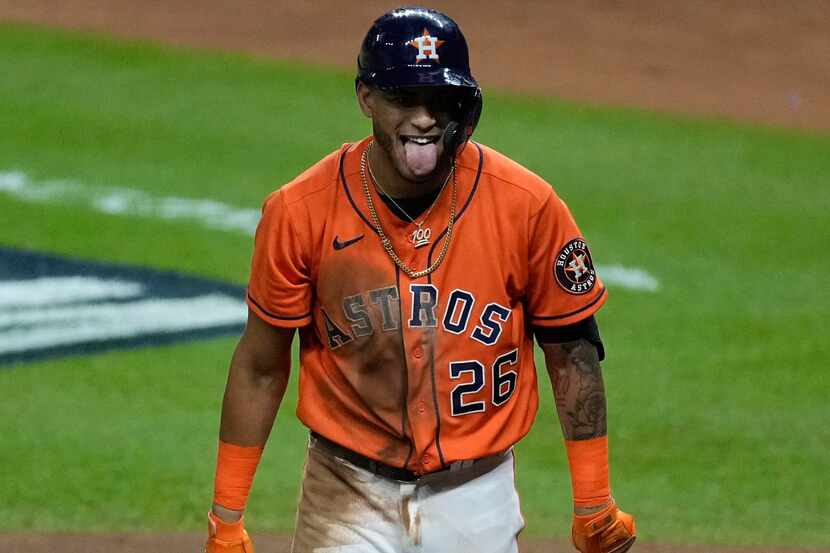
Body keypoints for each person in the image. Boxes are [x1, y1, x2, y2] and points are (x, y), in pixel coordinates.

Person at [204, 6, 635, 553]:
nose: (425, 118)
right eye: (404, 98)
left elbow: (571, 350)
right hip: (346, 492)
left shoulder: (527, 206)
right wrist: (226, 514)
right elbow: (261, 366)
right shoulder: (300, 212)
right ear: (366, 98)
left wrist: (593, 499)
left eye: (440, 100)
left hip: (477, 493)